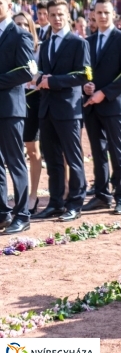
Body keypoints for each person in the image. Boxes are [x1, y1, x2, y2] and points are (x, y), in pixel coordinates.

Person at [32, 0, 91, 222]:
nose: (56, 18)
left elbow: (83, 75)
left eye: (60, 14)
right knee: (53, 159)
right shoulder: (45, 44)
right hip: (46, 109)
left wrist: (52, 81)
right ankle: (56, 202)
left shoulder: (78, 43)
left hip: (68, 109)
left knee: (73, 158)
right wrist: (38, 78)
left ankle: (75, 203)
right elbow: (41, 74)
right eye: (53, 14)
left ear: (68, 16)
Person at [81, 0, 121, 216]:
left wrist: (103, 93)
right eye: (99, 12)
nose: (103, 16)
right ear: (93, 14)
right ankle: (101, 195)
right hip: (91, 105)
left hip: (114, 104)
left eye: (106, 12)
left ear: (113, 14)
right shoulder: (88, 41)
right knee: (97, 151)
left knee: (117, 151)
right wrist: (86, 86)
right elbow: (86, 71)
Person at [0, 0, 35, 234]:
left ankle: (22, 214)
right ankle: (2, 213)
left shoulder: (19, 35)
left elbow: (26, 71)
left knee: (15, 161)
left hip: (11, 109)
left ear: (9, 6)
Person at [14, 12, 44, 215]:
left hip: (34, 100)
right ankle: (19, 196)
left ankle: (33, 194)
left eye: (25, 24)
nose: (22, 27)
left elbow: (43, 73)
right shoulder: (8, 45)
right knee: (14, 153)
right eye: (18, 24)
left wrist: (37, 78)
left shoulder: (39, 49)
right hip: (13, 100)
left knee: (33, 150)